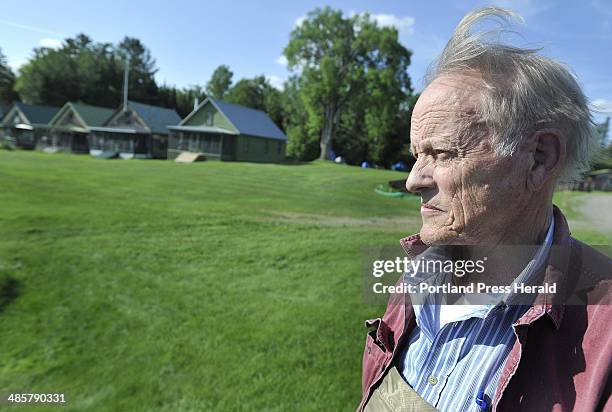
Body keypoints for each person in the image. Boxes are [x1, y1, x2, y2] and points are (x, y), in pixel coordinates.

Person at [358, 7, 611, 412]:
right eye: (416, 155)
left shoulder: (605, 334)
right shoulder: (418, 274)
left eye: (441, 153)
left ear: (539, 157)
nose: (413, 180)